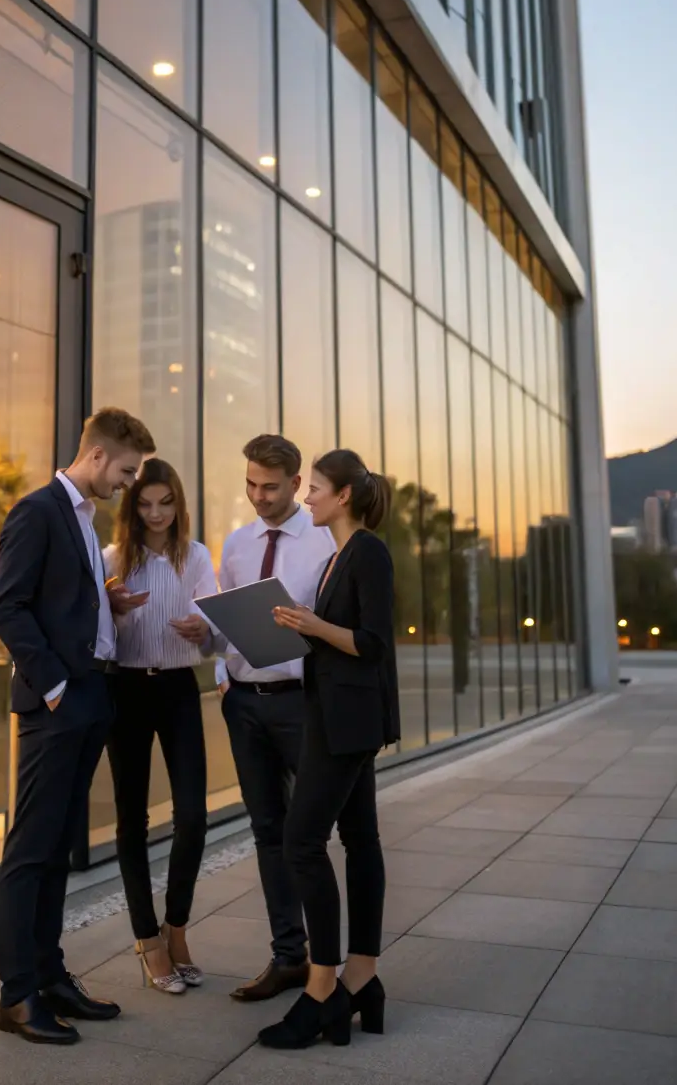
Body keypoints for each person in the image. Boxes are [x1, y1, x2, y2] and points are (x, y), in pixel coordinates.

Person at [0, 407, 156, 1047]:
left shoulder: (83, 521)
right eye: (126, 470)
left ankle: (50, 976)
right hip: (58, 701)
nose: (128, 483)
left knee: (58, 849)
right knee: (30, 852)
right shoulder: (37, 511)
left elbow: (58, 602)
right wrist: (55, 687)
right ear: (95, 457)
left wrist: (102, 605)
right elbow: (8, 609)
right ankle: (16, 996)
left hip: (92, 695)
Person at [258, 449, 400, 1051]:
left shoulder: (367, 550)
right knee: (360, 839)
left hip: (346, 722)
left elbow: (373, 642)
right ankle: (362, 977)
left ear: (343, 496)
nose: (307, 496)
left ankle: (323, 988)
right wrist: (297, 626)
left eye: (315, 488)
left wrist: (312, 627)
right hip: (334, 715)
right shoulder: (338, 557)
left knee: (301, 842)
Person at [187, 434, 334, 1002]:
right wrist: (210, 643)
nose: (258, 496)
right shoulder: (238, 545)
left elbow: (334, 630)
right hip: (245, 705)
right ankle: (287, 958)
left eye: (270, 487)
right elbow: (227, 628)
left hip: (301, 705)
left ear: (297, 484)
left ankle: (325, 965)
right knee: (267, 832)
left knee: (309, 837)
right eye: (250, 484)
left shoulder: (324, 544)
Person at [103, 459, 218, 994]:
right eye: (145, 503)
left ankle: (176, 928)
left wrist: (204, 630)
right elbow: (105, 638)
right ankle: (147, 941)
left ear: (178, 504)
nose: (155, 513)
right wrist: (119, 610)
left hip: (177, 689)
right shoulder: (112, 560)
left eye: (164, 502)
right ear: (132, 507)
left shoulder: (194, 557)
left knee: (193, 814)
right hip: (126, 689)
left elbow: (215, 626)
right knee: (132, 822)